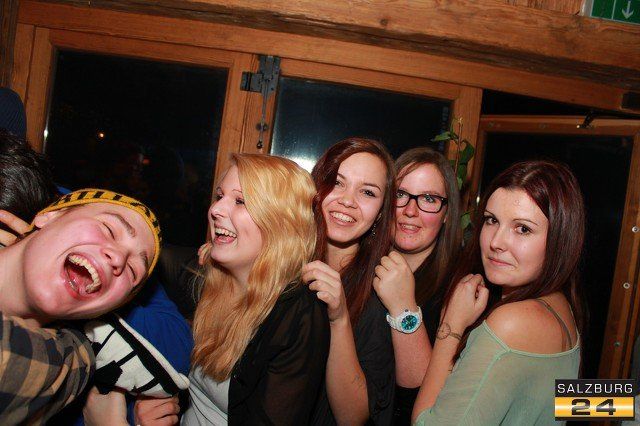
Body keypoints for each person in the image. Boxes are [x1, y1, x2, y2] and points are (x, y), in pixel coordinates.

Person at [413, 160, 585, 425]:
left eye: (523, 229)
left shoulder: (512, 322)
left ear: (559, 240)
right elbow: (562, 404)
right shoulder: (561, 305)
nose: (495, 242)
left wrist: (451, 325)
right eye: (492, 220)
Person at [182, 153, 329, 425]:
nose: (216, 209)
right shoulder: (212, 277)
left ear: (280, 223)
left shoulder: (296, 317)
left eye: (240, 201)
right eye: (219, 196)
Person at [0, 188, 162, 423]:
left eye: (133, 270)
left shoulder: (70, 362)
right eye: (108, 229)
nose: (118, 259)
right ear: (50, 216)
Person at [306, 138, 397, 425]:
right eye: (337, 182)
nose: (347, 200)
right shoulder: (283, 263)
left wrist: (339, 317)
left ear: (381, 211)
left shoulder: (382, 295)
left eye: (367, 192)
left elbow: (352, 417)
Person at [372, 147, 462, 425]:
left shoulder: (462, 290)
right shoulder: (362, 267)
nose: (410, 211)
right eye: (400, 194)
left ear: (447, 213)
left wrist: (403, 308)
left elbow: (426, 404)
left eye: (429, 199)